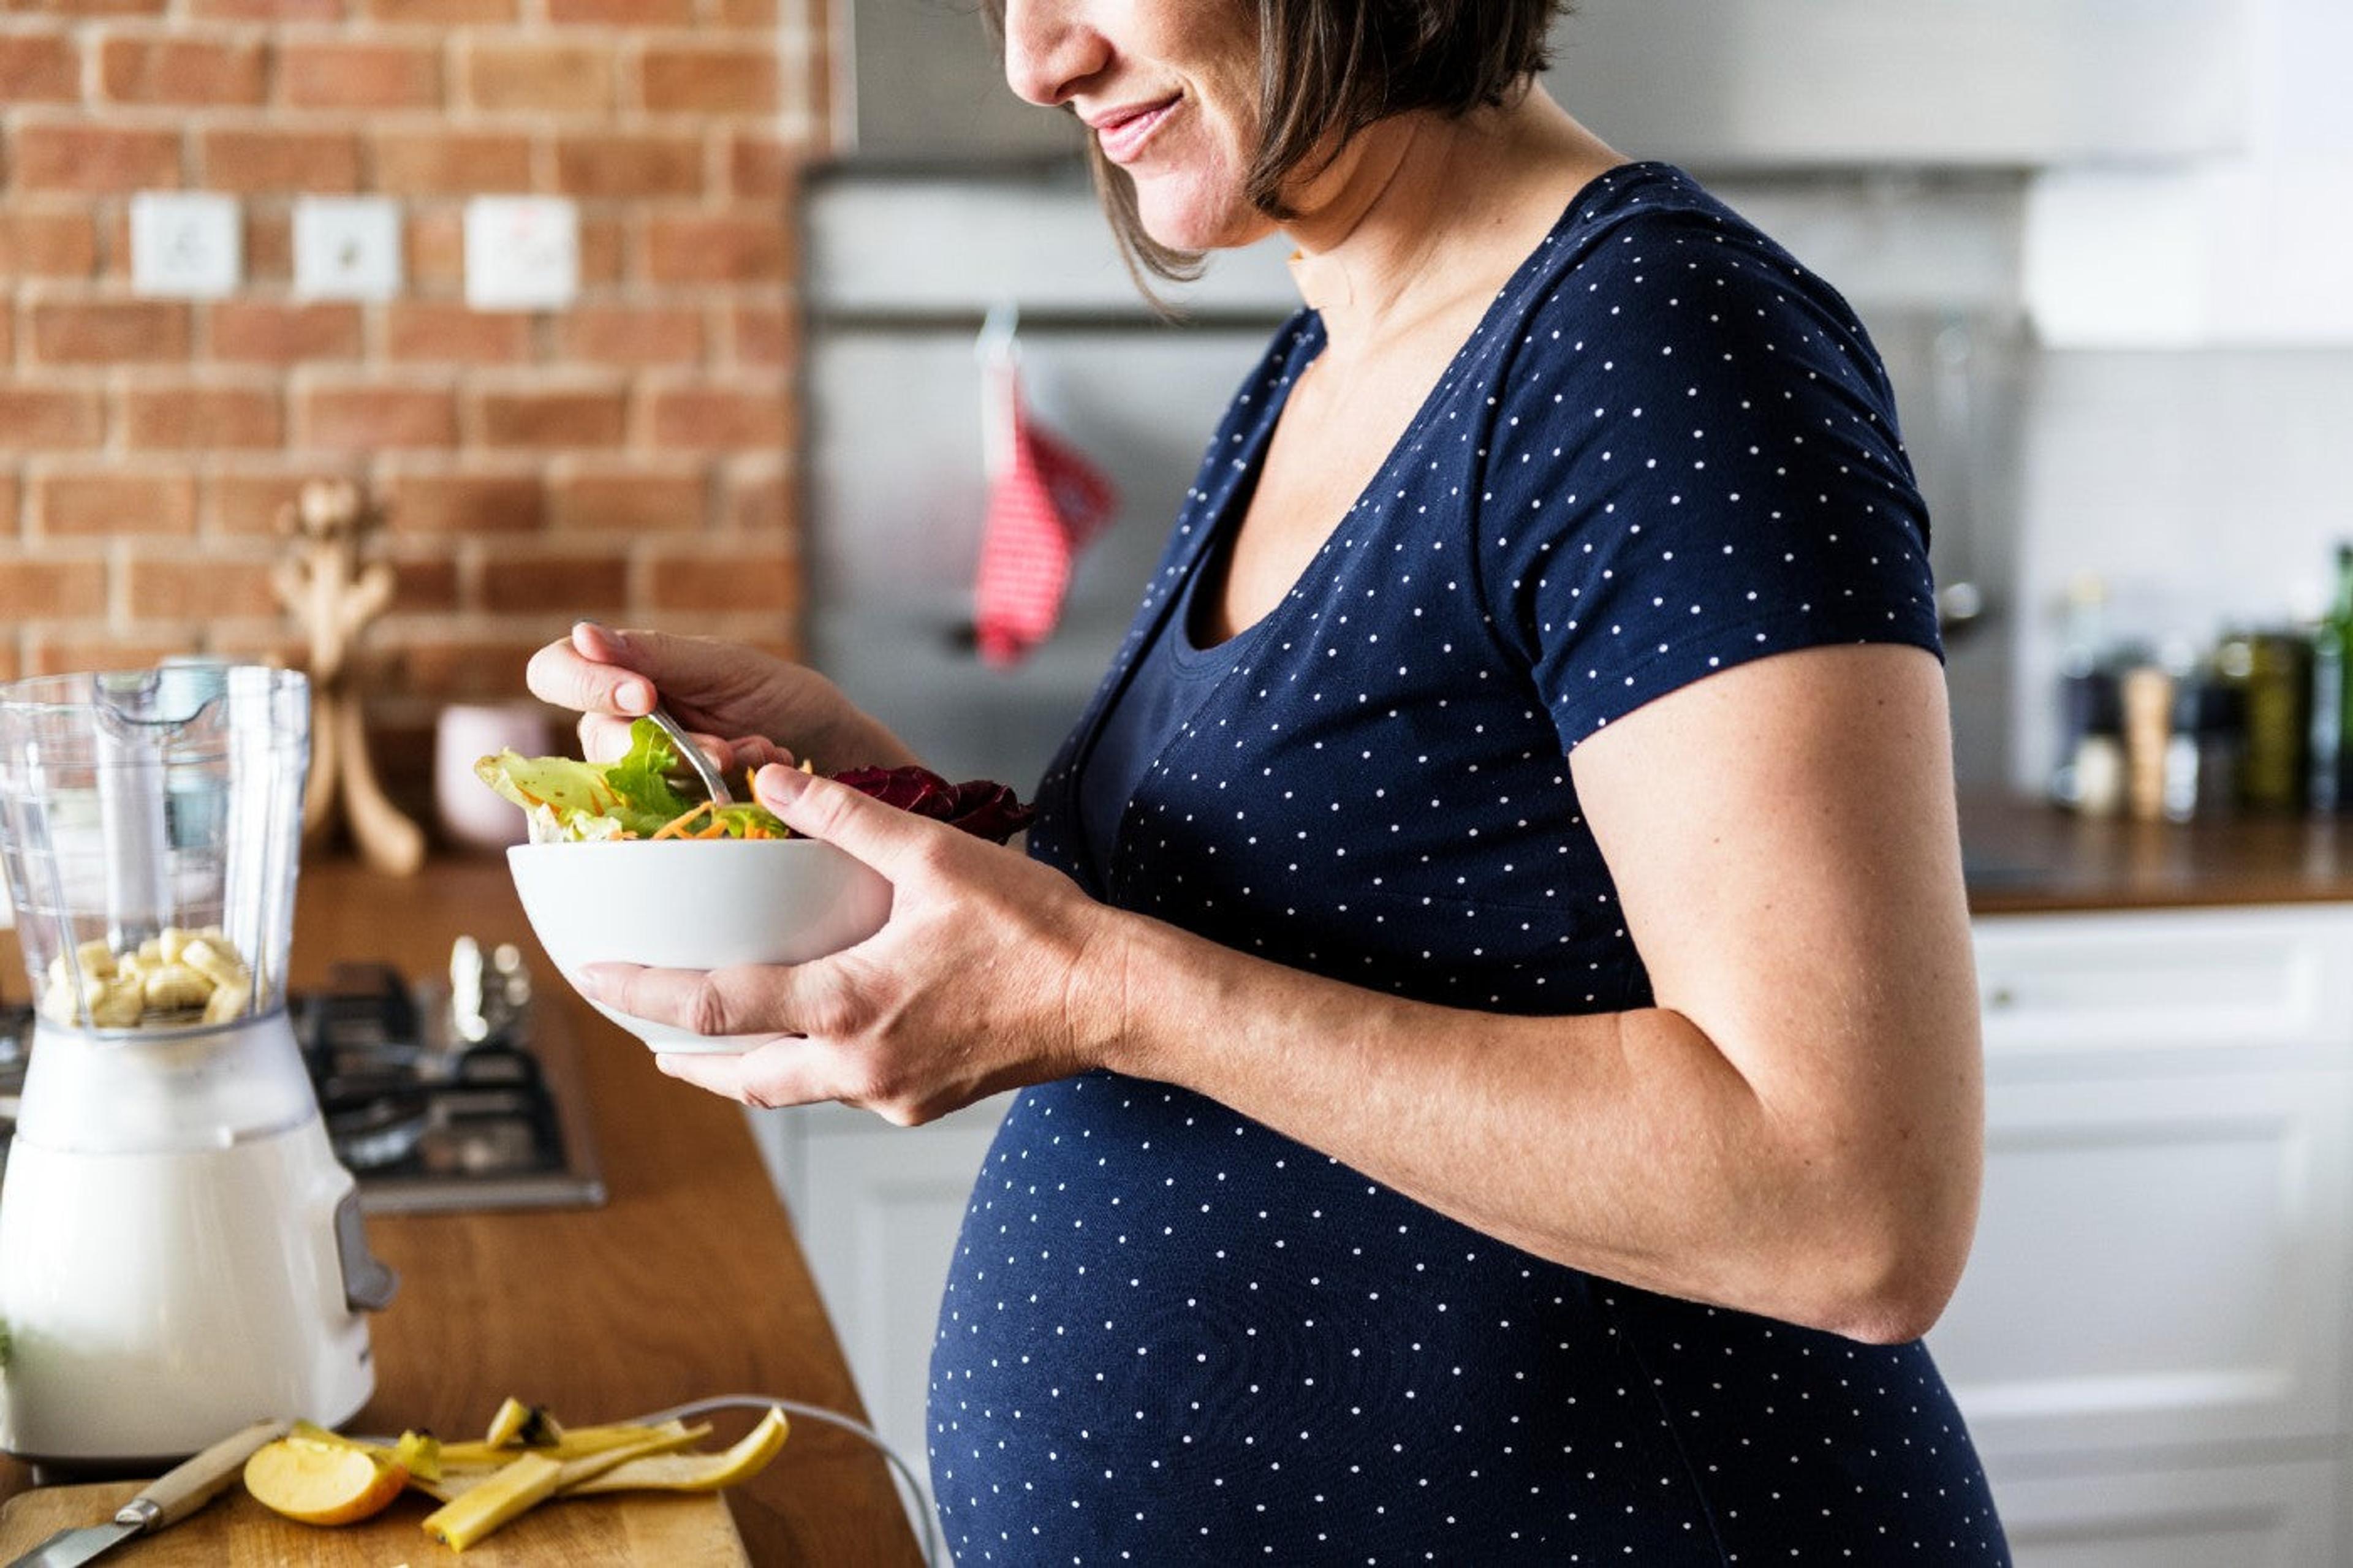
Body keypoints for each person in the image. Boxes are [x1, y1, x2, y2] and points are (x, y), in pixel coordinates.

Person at [527, 0, 2011, 1559]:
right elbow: (1297, 933)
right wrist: (879, 806)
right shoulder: (1324, 357)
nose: (1038, 61)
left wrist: (1104, 986)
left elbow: (1854, 1201)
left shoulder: (1656, 343)